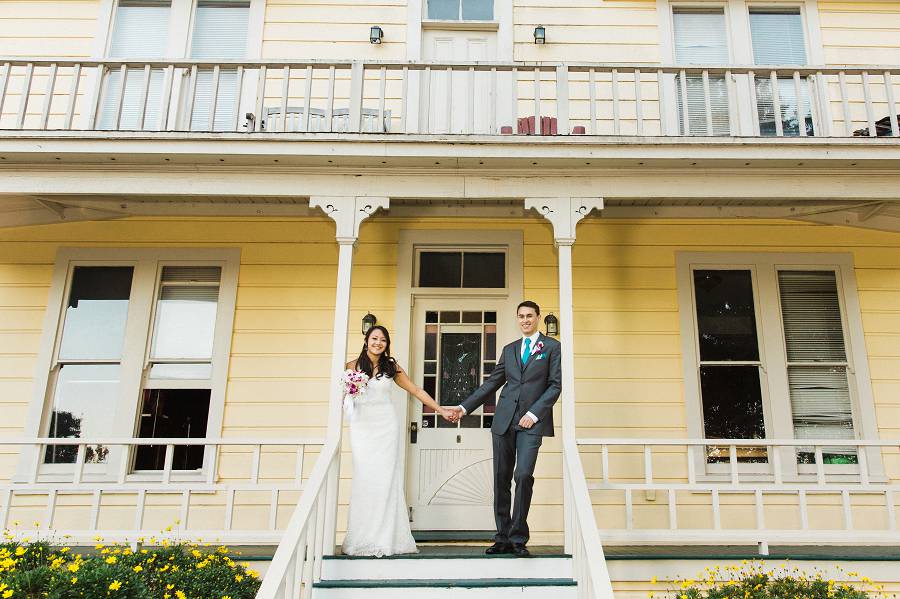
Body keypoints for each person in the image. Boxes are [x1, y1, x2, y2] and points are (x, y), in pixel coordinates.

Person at [447, 301, 561, 557]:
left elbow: (555, 385)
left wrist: (533, 414)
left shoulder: (552, 348)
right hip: (504, 421)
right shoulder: (509, 350)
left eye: (529, 316)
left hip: (531, 423)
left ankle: (518, 537)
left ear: (538, 318)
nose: (525, 320)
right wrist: (464, 408)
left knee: (522, 476)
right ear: (517, 319)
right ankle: (502, 537)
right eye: (521, 316)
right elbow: (492, 384)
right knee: (501, 478)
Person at [342, 325, 455, 557]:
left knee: (385, 480)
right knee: (365, 479)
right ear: (366, 341)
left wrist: (441, 410)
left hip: (385, 427)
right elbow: (341, 398)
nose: (378, 343)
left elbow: (415, 390)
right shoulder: (350, 367)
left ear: (387, 344)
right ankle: (362, 537)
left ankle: (386, 537)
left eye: (383, 340)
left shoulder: (390, 367)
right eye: (374, 338)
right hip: (362, 429)